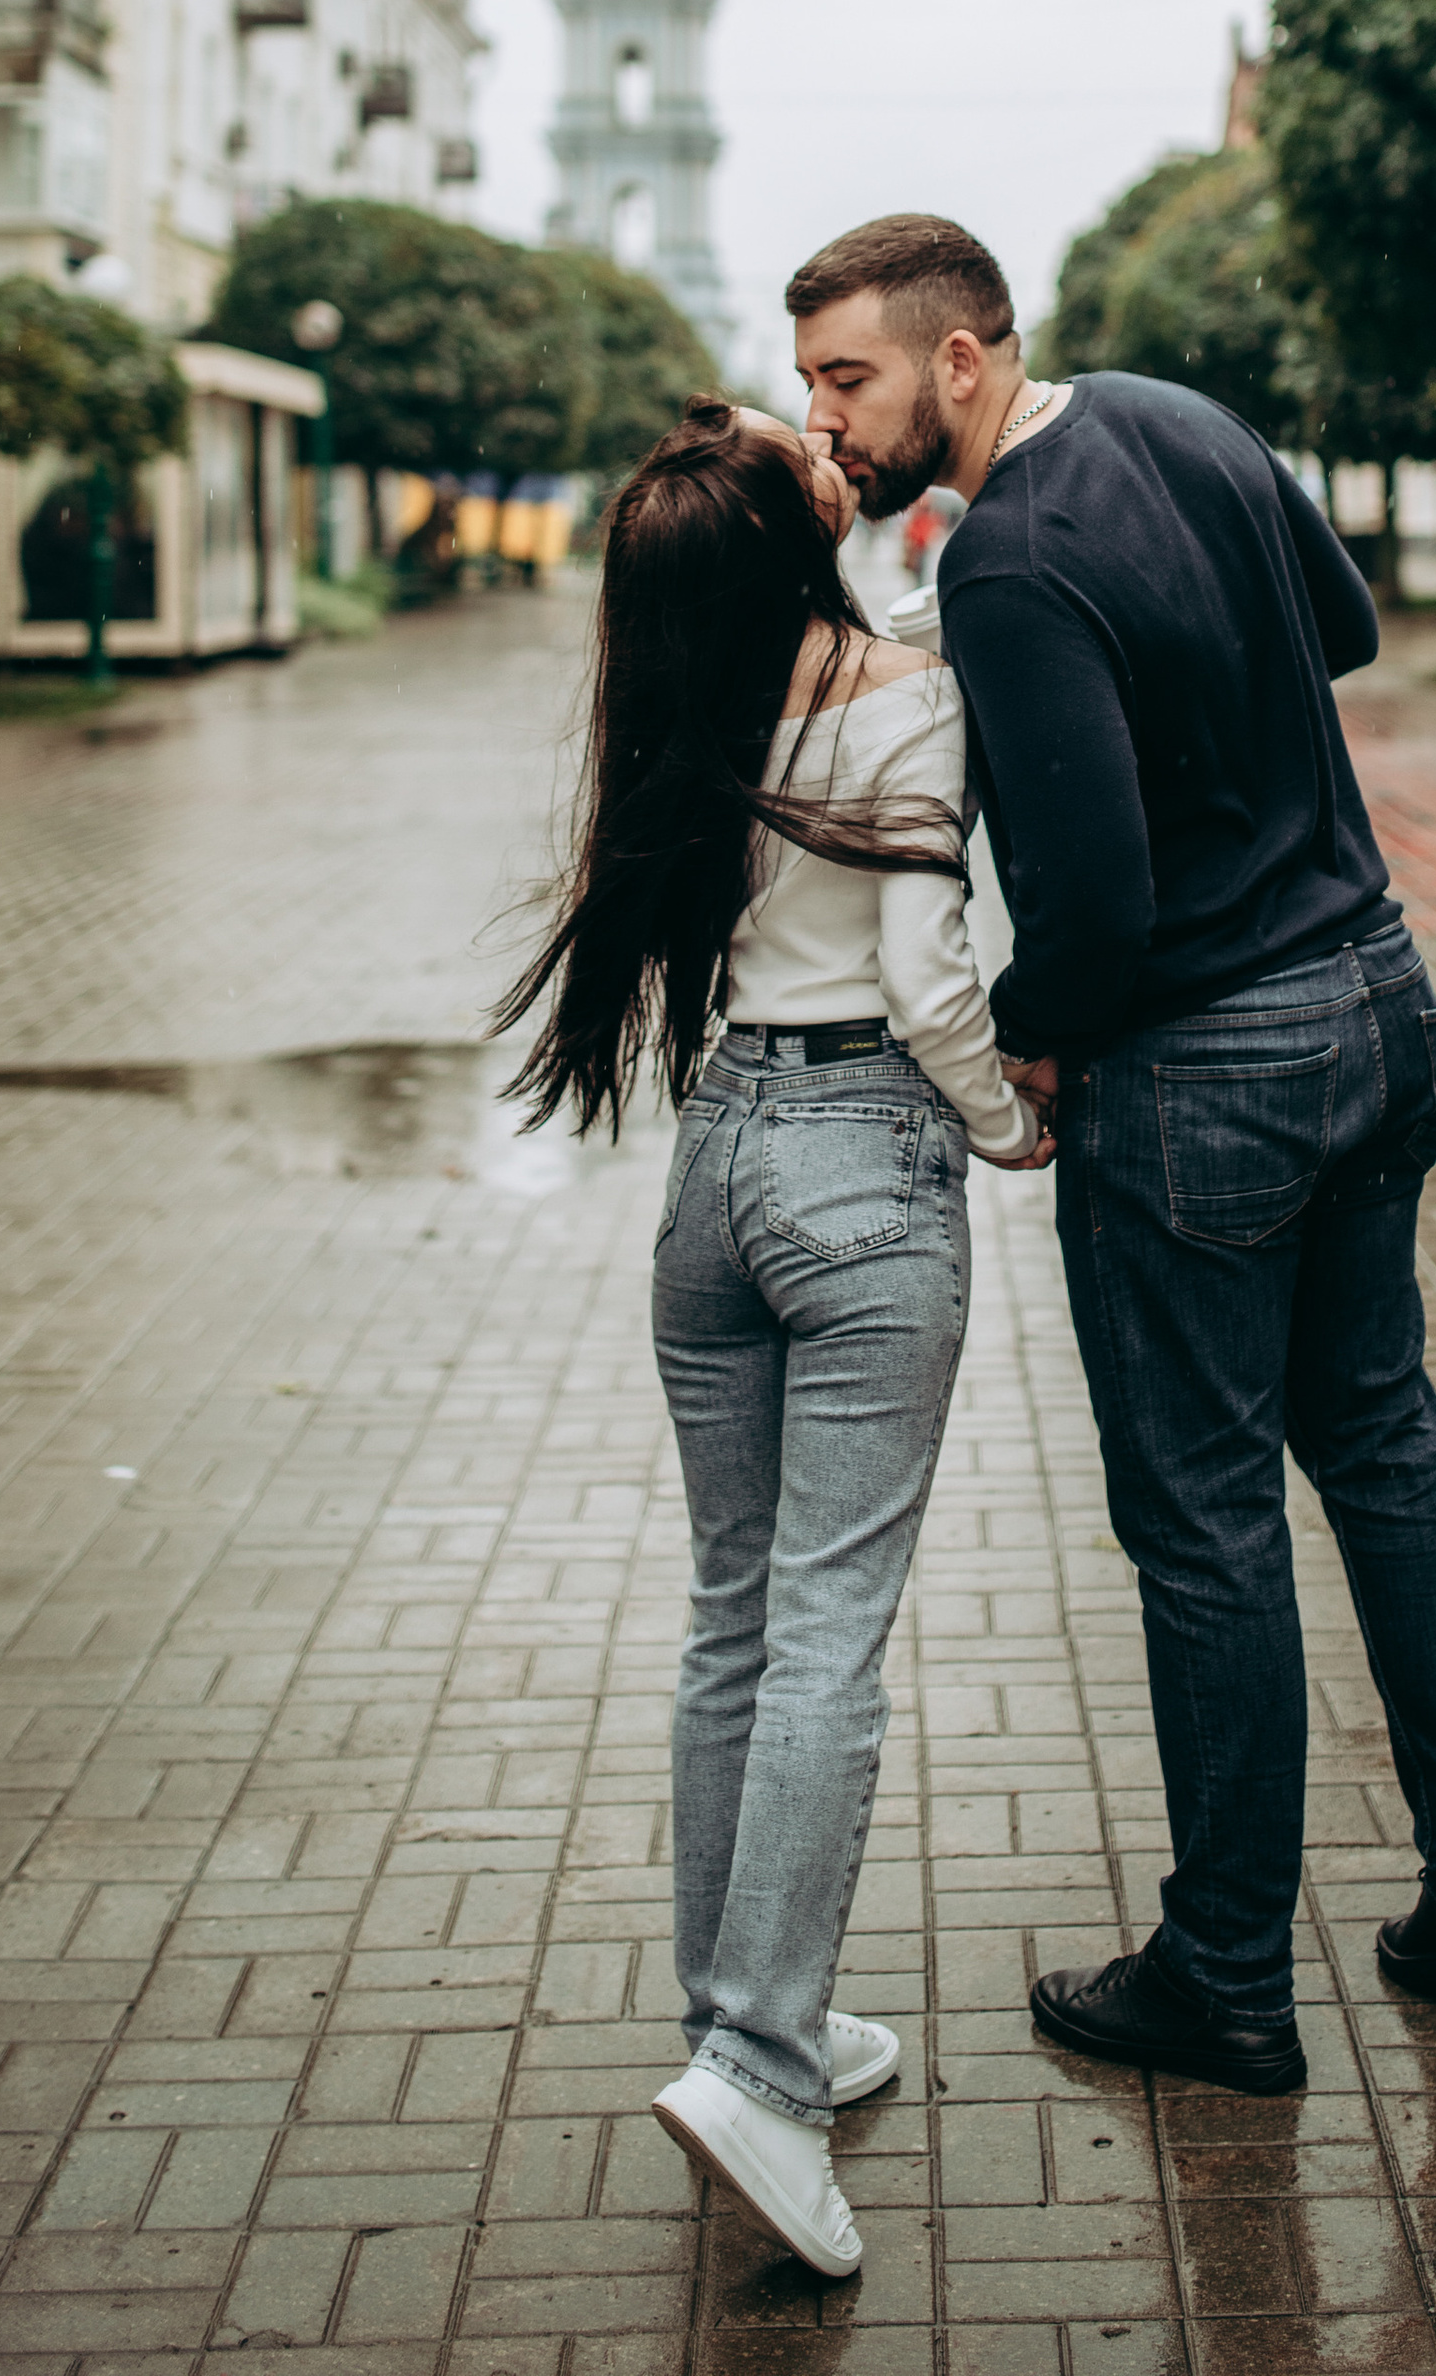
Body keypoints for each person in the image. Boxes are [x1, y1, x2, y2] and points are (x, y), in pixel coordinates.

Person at [786, 214, 1436, 2100]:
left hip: (1209, 1072)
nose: (830, 415)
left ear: (959, 360)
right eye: (809, 381)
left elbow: (1104, 910)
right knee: (1381, 1445)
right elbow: (1344, 629)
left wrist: (1028, 1042)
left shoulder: (1013, 566)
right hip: (1378, 997)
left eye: (850, 378)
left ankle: (1224, 1975)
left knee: (1204, 1522)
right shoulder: (1175, 415)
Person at [495, 397, 1048, 2278]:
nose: (812, 438)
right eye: (778, 441)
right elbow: (921, 971)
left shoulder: (693, 690)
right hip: (862, 1162)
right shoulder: (900, 687)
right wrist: (1005, 1120)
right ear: (776, 527)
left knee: (733, 1616)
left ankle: (747, 2025)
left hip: (716, 1176)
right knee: (826, 1635)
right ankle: (762, 2071)